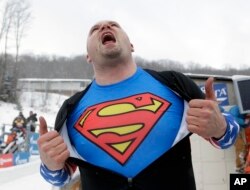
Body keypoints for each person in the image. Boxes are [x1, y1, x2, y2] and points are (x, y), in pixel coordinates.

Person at [38, 20, 239, 190]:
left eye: (113, 25)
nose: (105, 27)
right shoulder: (70, 109)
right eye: (94, 29)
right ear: (88, 56)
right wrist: (49, 166)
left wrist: (221, 127)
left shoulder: (173, 84)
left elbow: (228, 138)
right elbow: (62, 177)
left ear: (131, 45)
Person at [229, 105, 250, 173]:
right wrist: (244, 122)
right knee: (240, 146)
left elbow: (244, 124)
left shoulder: (243, 113)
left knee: (243, 146)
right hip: (232, 130)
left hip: (237, 130)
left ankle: (241, 164)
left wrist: (245, 122)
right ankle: (239, 166)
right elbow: (233, 118)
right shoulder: (236, 109)